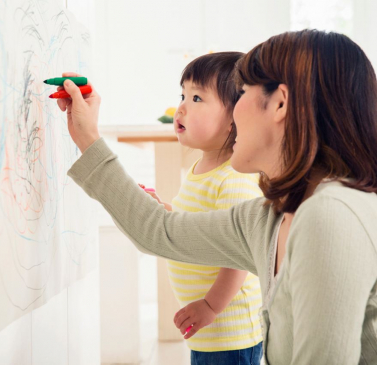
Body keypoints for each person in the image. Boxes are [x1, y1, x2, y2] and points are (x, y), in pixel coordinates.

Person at [58, 30, 377, 364]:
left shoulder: (331, 216)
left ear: (280, 103)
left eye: (242, 93)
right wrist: (87, 138)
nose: (234, 112)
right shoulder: (269, 216)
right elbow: (159, 232)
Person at [142, 52, 263, 364]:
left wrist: (210, 305)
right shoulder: (200, 167)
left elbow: (239, 254)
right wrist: (164, 212)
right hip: (212, 333)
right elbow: (198, 226)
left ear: (235, 119)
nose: (181, 107)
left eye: (197, 98)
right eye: (183, 94)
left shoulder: (233, 179)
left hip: (230, 333)